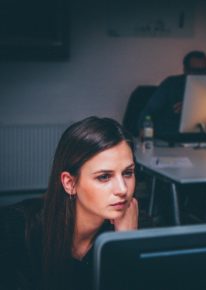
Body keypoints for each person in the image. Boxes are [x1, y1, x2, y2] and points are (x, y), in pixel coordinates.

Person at [0, 117, 139, 290]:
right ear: (70, 183)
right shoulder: (15, 229)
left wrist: (125, 244)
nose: (122, 189)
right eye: (104, 177)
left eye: (128, 173)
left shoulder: (133, 228)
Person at [138, 50, 206, 136]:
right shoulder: (171, 84)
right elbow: (149, 111)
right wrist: (145, 133)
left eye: (205, 71)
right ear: (186, 70)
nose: (201, 75)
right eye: (196, 71)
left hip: (203, 138)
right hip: (172, 137)